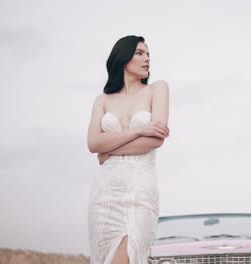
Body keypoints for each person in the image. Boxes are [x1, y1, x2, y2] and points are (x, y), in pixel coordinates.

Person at [87, 35, 169, 264]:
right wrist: (137, 131)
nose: (147, 59)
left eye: (148, 54)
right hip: (104, 196)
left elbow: (155, 140)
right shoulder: (102, 100)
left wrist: (109, 149)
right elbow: (93, 143)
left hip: (141, 191)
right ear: (123, 59)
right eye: (140, 53)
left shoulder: (157, 89)